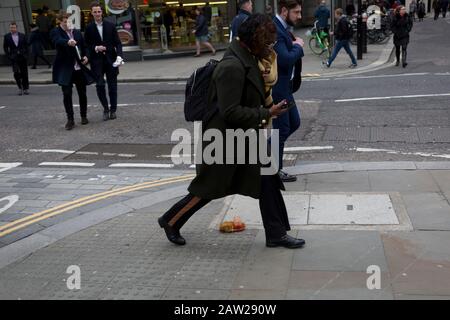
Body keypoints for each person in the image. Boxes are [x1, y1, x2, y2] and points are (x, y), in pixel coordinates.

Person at [158, 13, 305, 249]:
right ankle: (170, 220)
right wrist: (267, 114)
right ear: (255, 41)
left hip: (245, 137)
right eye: (267, 43)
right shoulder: (232, 67)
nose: (271, 48)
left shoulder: (247, 58)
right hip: (225, 141)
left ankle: (276, 233)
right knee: (208, 189)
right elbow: (230, 112)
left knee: (269, 181)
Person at [271, 0, 304, 183]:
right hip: (278, 89)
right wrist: (298, 46)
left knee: (294, 123)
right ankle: (274, 167)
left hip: (286, 88)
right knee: (282, 129)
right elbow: (284, 60)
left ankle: (267, 157)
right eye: (296, 12)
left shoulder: (281, 29)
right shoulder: (276, 30)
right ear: (284, 11)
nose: (299, 16)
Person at [51, 13, 95, 130]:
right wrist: (67, 42)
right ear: (59, 22)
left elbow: (84, 46)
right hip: (66, 69)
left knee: (82, 93)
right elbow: (57, 41)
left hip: (78, 68)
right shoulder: (56, 32)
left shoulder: (76, 32)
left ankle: (84, 116)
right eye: (65, 22)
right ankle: (70, 119)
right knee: (67, 94)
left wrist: (86, 57)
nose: (67, 24)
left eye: (69, 21)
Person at [84, 1, 123, 121]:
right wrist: (95, 48)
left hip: (110, 60)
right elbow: (86, 45)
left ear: (102, 12)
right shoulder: (89, 27)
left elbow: (118, 43)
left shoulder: (110, 25)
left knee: (112, 87)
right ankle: (106, 109)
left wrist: (119, 56)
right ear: (92, 13)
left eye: (99, 11)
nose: (97, 14)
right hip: (97, 61)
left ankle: (113, 110)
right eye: (94, 12)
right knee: (100, 86)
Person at [3, 21, 29, 96]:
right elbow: (5, 47)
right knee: (16, 73)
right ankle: (20, 88)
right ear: (9, 28)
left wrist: (26, 55)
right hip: (14, 58)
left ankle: (25, 88)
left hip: (22, 57)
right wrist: (9, 56)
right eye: (11, 27)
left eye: (14, 27)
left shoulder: (22, 35)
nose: (12, 29)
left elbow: (26, 46)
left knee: (24, 73)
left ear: (16, 28)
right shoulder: (7, 36)